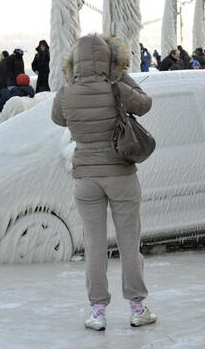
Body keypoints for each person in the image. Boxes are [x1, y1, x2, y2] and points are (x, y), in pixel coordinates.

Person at [51, 34, 156, 331]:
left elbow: (59, 119)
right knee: (129, 244)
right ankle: (137, 308)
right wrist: (121, 76)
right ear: (110, 60)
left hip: (86, 178)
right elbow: (145, 104)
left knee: (94, 246)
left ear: (75, 62)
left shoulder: (65, 93)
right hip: (121, 175)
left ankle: (97, 312)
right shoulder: (117, 87)